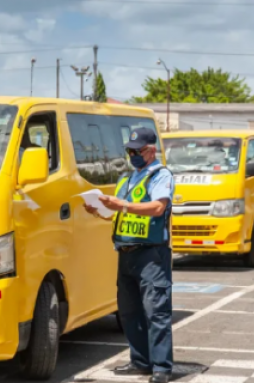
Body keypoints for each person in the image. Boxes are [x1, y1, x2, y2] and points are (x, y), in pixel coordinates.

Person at [83, 127, 175, 383]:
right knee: (129, 312)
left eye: (138, 151)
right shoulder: (128, 178)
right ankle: (140, 361)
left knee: (156, 312)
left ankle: (161, 368)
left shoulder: (160, 175)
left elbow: (158, 207)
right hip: (126, 252)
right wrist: (98, 210)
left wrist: (120, 204)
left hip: (151, 254)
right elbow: (115, 214)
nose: (133, 155)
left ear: (151, 150)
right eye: (130, 151)